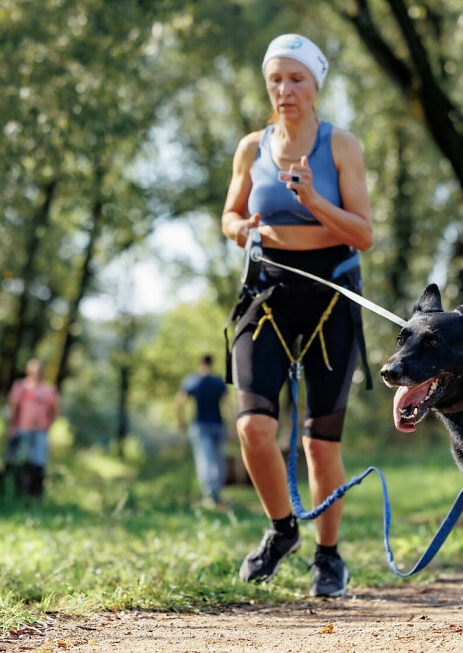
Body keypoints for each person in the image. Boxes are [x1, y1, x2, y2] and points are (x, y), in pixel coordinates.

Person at [222, 33, 374, 598]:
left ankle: (328, 557)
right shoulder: (251, 147)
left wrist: (312, 200)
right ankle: (282, 528)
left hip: (331, 294)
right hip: (266, 295)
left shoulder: (341, 147)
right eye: (276, 80)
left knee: (318, 444)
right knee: (253, 429)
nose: (285, 90)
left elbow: (364, 234)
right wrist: (240, 228)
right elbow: (231, 212)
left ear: (316, 85)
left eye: (296, 79)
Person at [176, 354, 229, 506]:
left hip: (200, 426)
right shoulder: (219, 382)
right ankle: (217, 492)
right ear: (211, 364)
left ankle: (209, 495)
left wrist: (181, 422)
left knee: (204, 460)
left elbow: (180, 402)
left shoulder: (193, 380)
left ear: (200, 364)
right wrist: (232, 426)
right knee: (218, 459)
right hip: (218, 425)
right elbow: (228, 405)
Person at [6, 358, 59, 498]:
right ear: (28, 371)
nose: (38, 373)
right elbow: (13, 408)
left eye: (41, 371)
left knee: (39, 463)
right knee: (22, 463)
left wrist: (48, 425)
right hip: (22, 430)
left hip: (40, 431)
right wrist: (12, 427)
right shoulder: (20, 387)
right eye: (35, 371)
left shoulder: (48, 390)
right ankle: (19, 494)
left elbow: (55, 410)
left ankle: (36, 496)